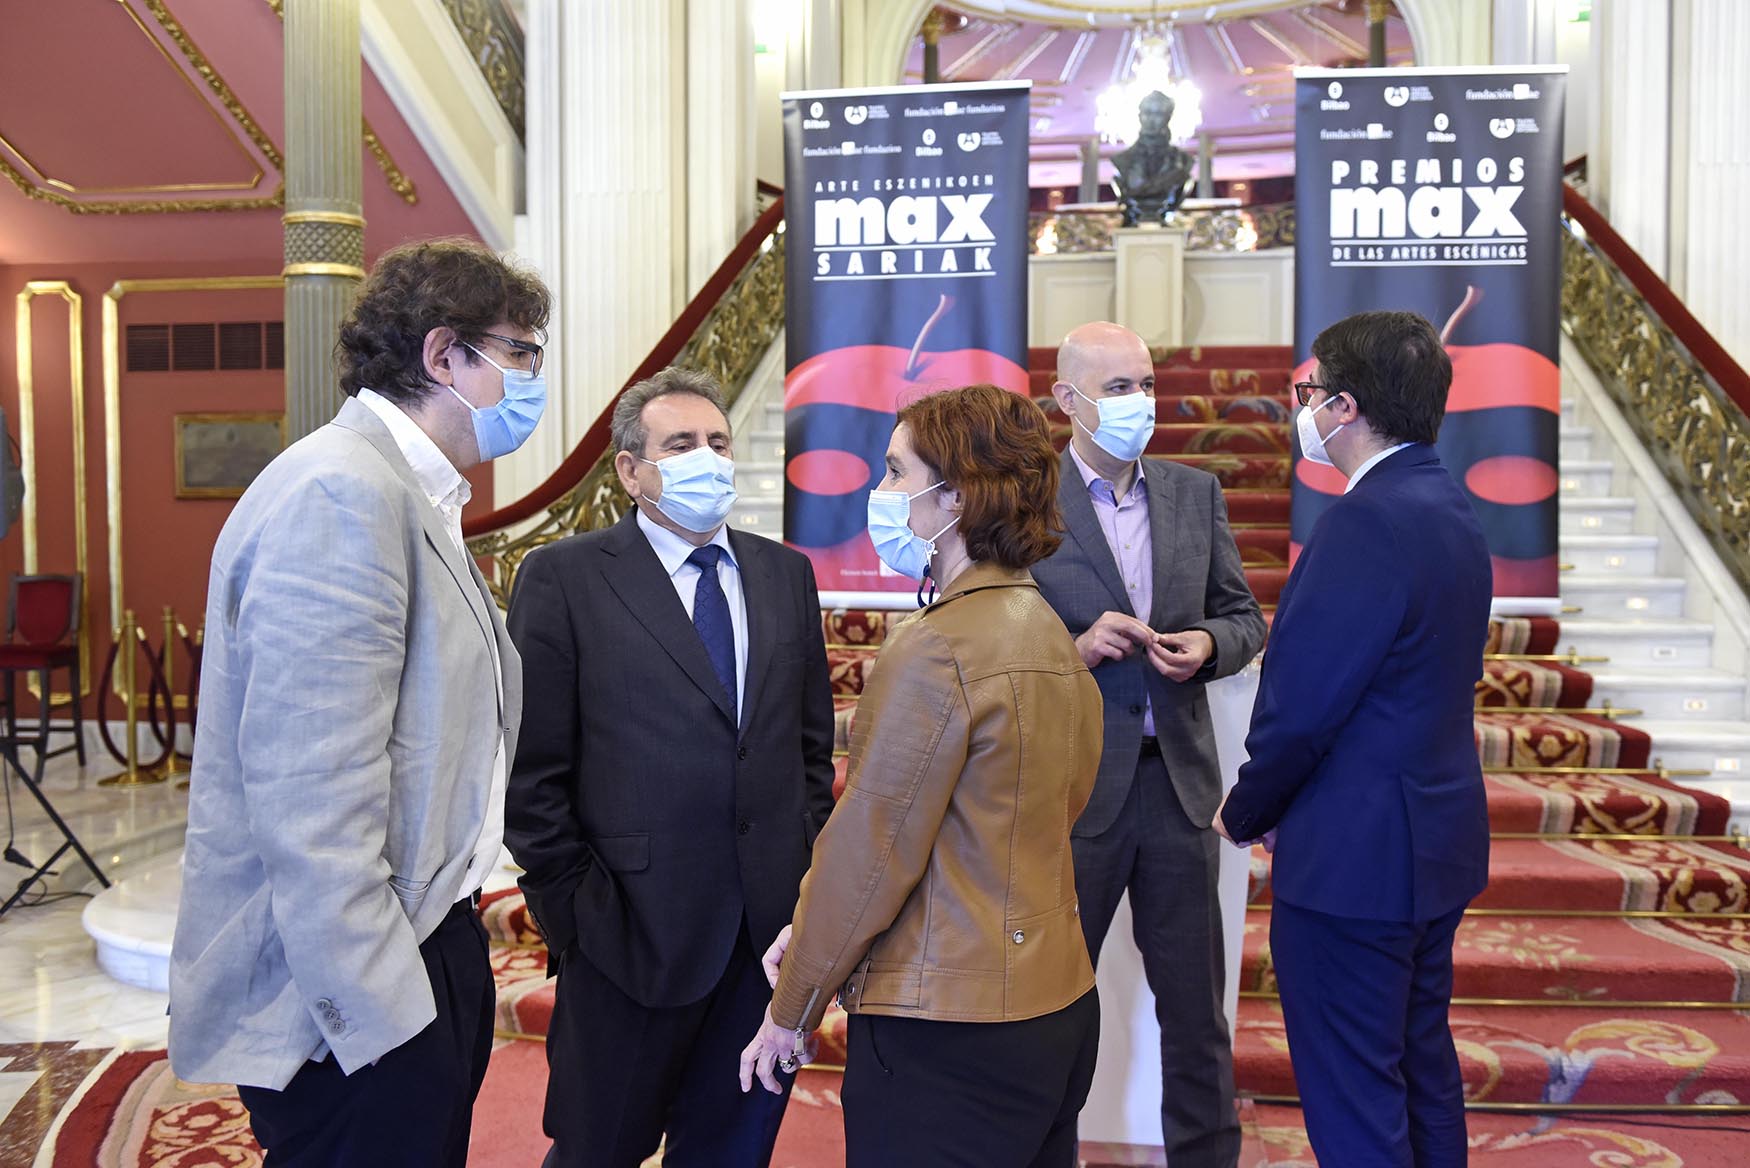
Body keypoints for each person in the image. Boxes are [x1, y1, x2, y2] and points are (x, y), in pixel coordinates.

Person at [168, 238, 551, 1166]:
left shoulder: (406, 492)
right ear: (444, 354)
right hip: (360, 992)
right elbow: (311, 802)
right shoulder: (342, 492)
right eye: (520, 353)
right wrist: (381, 1018)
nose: (533, 380)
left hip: (426, 941)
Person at [742, 384, 1104, 1168]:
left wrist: (793, 1004)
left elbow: (870, 853)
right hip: (1056, 1004)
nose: (882, 490)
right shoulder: (1050, 630)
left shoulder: (938, 647)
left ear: (958, 497)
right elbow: (996, 828)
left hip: (951, 1029)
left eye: (897, 472)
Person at [505, 366, 835, 1168]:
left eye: (718, 442)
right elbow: (532, 773)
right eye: (681, 444)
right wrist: (578, 921)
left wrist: (806, 891)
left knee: (732, 1153)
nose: (708, 459)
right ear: (631, 470)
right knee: (596, 1152)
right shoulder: (566, 577)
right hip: (627, 939)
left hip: (765, 946)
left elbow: (808, 754)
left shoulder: (784, 574)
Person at [1215, 310, 1492, 1167]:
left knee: (1356, 1093)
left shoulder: (1365, 519)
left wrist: (1248, 807)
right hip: (1432, 839)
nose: (1302, 408)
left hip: (1358, 859)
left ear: (1345, 406)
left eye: (1310, 392)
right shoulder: (1446, 502)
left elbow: (1305, 704)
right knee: (1418, 1066)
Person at [1030, 321, 1265, 1168]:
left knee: (1197, 1019)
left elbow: (1243, 617)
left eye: (1148, 384)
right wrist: (1075, 647)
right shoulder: (1025, 501)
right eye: (1119, 388)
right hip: (1072, 794)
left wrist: (1209, 644)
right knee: (1052, 1014)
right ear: (1068, 400)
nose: (1142, 402)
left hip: (1177, 792)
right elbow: (990, 635)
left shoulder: (1194, 492)